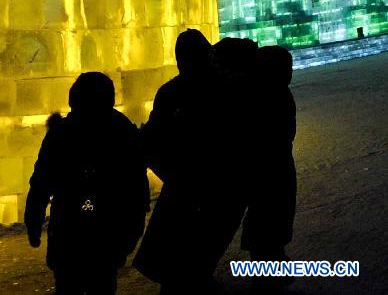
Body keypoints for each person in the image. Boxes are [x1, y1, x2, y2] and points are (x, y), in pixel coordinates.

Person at [25, 72, 149, 294]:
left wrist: (33, 222)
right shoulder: (121, 130)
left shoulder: (62, 132)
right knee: (102, 284)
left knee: (70, 285)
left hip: (69, 230)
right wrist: (132, 232)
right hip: (106, 231)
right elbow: (137, 189)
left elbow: (41, 183)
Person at [134, 28, 220, 291]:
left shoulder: (173, 91)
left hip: (185, 180)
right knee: (200, 241)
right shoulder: (219, 86)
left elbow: (153, 137)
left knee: (176, 244)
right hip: (203, 179)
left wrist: (168, 173)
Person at [241, 46, 296, 263]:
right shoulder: (269, 95)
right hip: (271, 169)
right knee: (270, 218)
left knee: (275, 216)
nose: (290, 72)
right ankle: (267, 273)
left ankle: (271, 264)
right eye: (286, 68)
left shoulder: (273, 92)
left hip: (276, 165)